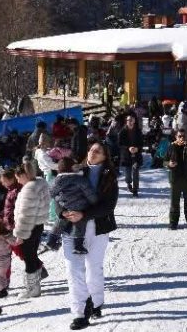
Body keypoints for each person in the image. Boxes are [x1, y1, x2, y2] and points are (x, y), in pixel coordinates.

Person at [61, 141, 119, 330]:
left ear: (104, 156)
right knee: (73, 270)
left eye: (98, 151)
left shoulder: (109, 176)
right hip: (71, 227)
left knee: (93, 269)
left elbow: (108, 205)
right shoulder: (76, 171)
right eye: (91, 150)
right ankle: (80, 312)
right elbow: (58, 193)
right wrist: (63, 212)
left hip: (97, 227)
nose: (92, 153)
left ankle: (96, 302)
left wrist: (84, 215)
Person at [13, 163, 50, 299]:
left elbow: (26, 215)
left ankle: (32, 289)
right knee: (32, 255)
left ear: (23, 175)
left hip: (28, 228)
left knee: (28, 257)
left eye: (18, 178)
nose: (17, 181)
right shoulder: (40, 184)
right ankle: (35, 284)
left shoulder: (30, 189)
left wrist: (20, 234)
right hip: (38, 225)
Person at [46, 157, 98, 254]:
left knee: (60, 222)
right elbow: (89, 192)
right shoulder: (80, 179)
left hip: (65, 207)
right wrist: (94, 201)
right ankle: (78, 246)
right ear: (72, 168)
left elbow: (50, 193)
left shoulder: (57, 180)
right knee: (80, 224)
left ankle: (51, 241)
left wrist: (58, 198)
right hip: (80, 207)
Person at [167, 129, 187, 230]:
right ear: (176, 137)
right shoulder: (171, 147)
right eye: (179, 136)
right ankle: (173, 223)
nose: (182, 138)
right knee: (174, 202)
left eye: (184, 136)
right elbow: (164, 161)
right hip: (175, 178)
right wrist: (169, 164)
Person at [34, 134, 59, 224]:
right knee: (52, 196)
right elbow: (51, 165)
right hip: (49, 174)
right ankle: (51, 216)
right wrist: (62, 165)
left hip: (48, 174)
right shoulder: (42, 154)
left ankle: (50, 215)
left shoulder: (40, 151)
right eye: (48, 142)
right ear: (44, 143)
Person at [118, 115, 143, 197]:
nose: (130, 121)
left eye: (132, 120)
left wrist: (137, 148)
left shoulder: (138, 131)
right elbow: (119, 144)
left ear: (134, 121)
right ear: (126, 121)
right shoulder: (122, 131)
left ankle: (135, 190)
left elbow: (142, 143)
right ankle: (128, 183)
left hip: (136, 155)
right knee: (128, 175)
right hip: (126, 155)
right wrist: (128, 148)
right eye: (128, 120)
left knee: (135, 171)